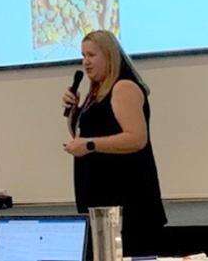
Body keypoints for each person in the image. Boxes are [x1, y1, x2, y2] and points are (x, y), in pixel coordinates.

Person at [62, 30, 167, 256]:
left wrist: (89, 145)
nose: (86, 62)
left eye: (92, 55)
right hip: (101, 200)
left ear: (109, 56)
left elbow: (136, 138)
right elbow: (81, 134)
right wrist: (74, 111)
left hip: (127, 200)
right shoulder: (97, 91)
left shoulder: (123, 87)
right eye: (83, 55)